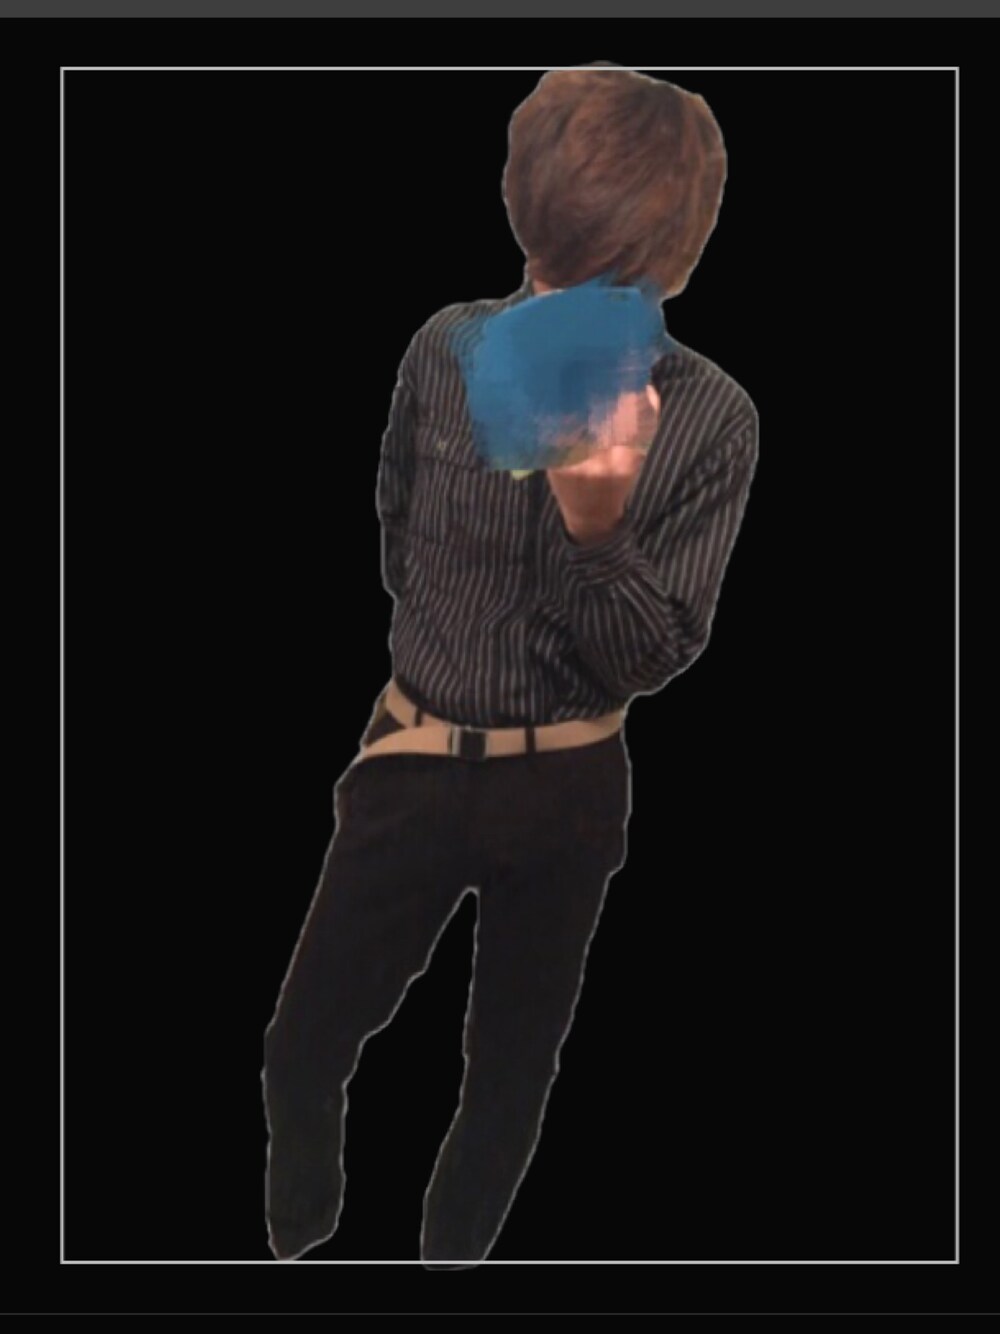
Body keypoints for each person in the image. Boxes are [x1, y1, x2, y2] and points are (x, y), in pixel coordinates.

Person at [261, 62, 760, 1268]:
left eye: (613, 267)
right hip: (415, 755)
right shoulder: (443, 347)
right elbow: (395, 520)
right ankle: (298, 1230)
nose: (569, 291)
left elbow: (654, 654)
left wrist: (595, 529)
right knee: (299, 1042)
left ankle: (450, 1263)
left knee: (508, 1075)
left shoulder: (712, 417)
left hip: (566, 787)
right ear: (523, 206)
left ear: (674, 258)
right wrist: (441, 664)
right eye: (557, 245)